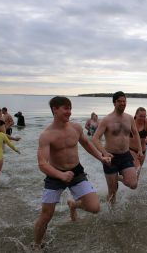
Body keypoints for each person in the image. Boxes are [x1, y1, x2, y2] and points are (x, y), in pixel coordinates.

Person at [33, 96, 110, 249]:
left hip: (76, 171)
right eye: (65, 108)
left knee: (95, 207)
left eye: (70, 108)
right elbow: (42, 164)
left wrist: (101, 157)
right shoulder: (47, 135)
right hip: (55, 174)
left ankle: (73, 204)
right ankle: (36, 245)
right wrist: (60, 175)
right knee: (46, 215)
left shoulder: (76, 128)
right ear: (55, 109)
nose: (69, 112)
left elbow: (87, 144)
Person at [92, 91, 142, 204]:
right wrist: (104, 152)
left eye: (124, 101)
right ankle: (111, 213)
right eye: (119, 101)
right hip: (110, 158)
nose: (122, 103)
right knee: (113, 191)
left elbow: (136, 133)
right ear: (114, 103)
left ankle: (117, 177)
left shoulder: (129, 118)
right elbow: (95, 139)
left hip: (125, 155)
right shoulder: (106, 120)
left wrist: (139, 149)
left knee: (133, 184)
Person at [129, 107, 147, 178]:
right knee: (138, 167)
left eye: (144, 116)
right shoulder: (131, 122)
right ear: (136, 115)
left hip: (143, 151)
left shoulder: (146, 123)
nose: (142, 118)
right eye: (140, 116)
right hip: (131, 150)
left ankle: (134, 185)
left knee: (138, 171)